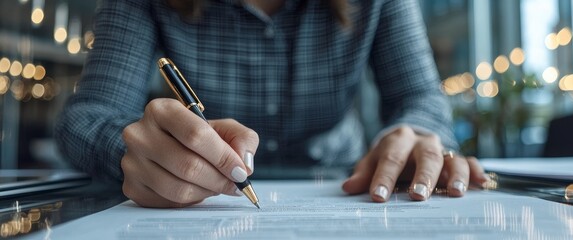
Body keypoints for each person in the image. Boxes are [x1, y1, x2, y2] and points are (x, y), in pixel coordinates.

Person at [55, 0, 489, 208]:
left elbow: (422, 98)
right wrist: (130, 150)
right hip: (207, 199)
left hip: (342, 182)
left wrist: (413, 132)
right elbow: (87, 117)